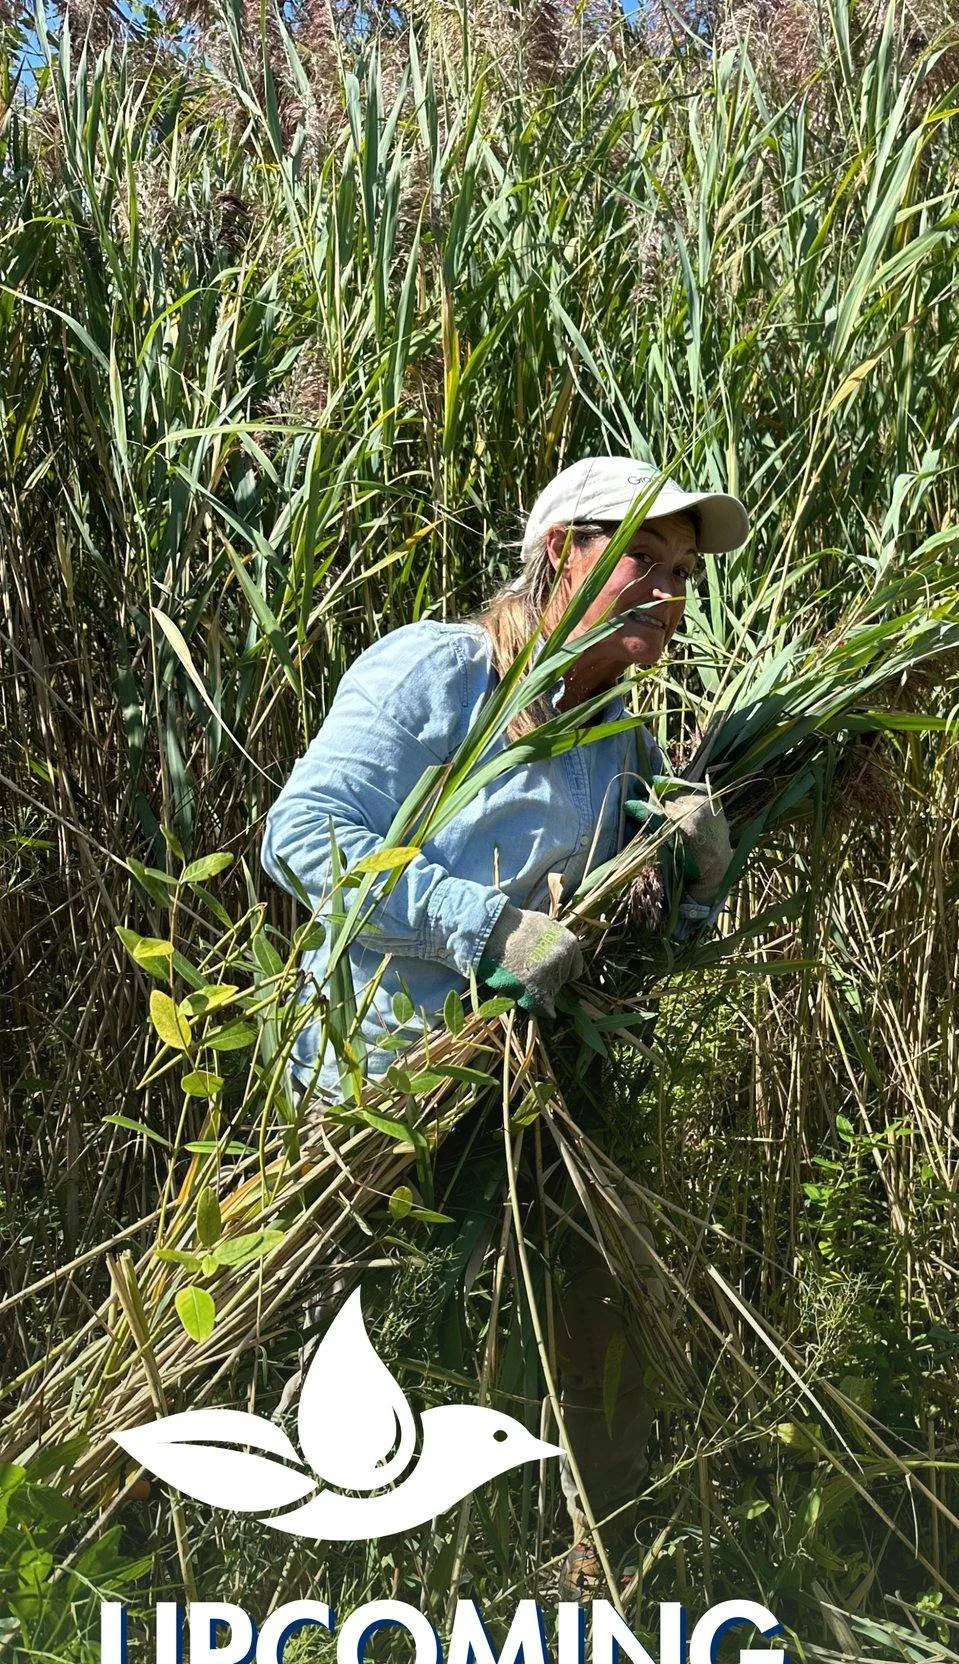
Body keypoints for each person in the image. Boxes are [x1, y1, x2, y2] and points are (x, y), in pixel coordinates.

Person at [262, 455, 750, 1591]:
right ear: (558, 555)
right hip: (384, 1087)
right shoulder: (443, 671)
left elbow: (625, 950)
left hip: (530, 1096)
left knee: (577, 1332)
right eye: (641, 557)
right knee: (360, 1343)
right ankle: (313, 1590)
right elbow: (307, 834)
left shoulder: (616, 736)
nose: (668, 591)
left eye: (683, 574)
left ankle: (585, 1579)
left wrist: (698, 877)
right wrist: (487, 928)